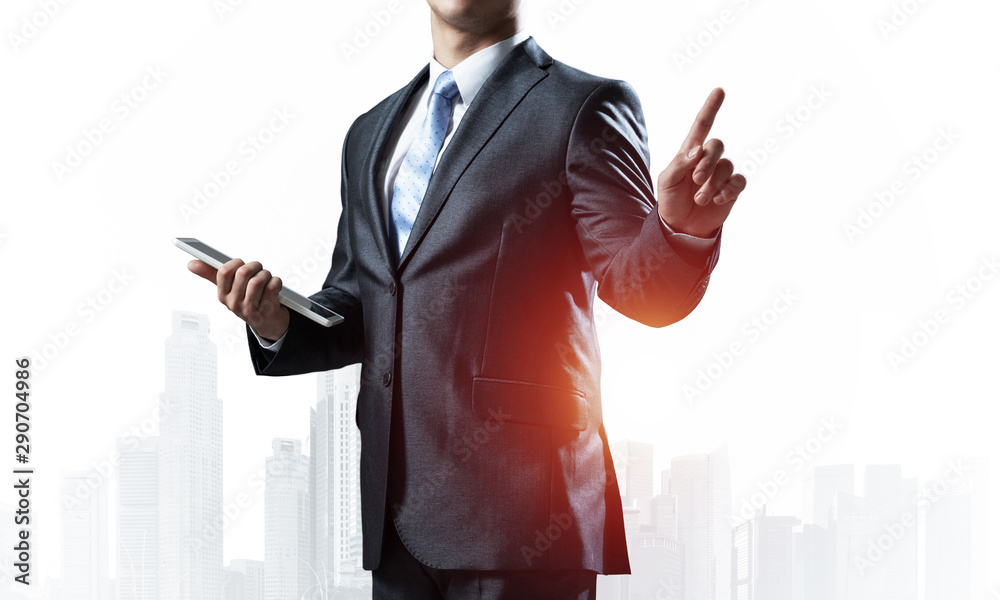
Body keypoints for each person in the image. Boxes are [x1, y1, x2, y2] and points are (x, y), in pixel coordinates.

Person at [188, 1, 746, 597]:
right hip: (396, 521)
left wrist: (679, 232)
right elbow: (360, 305)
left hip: (525, 521)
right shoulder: (370, 133)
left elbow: (642, 289)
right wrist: (276, 320)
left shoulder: (583, 108)